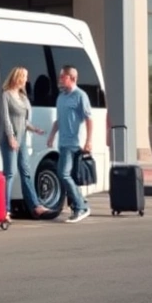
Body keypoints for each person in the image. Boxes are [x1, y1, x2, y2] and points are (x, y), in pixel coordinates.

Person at [0, 66, 49, 221]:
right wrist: (10, 137)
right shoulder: (6, 95)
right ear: (18, 78)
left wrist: (35, 129)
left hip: (21, 139)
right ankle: (5, 210)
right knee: (10, 173)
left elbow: (25, 121)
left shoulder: (23, 98)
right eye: (25, 77)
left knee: (26, 172)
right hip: (10, 139)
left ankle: (35, 205)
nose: (27, 80)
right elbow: (6, 119)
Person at [46, 64, 93, 223]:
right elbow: (59, 120)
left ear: (72, 78)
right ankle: (81, 203)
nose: (59, 80)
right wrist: (52, 136)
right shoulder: (61, 97)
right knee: (68, 175)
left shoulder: (80, 95)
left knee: (63, 174)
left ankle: (81, 207)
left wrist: (89, 141)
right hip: (63, 142)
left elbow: (89, 119)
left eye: (62, 77)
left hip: (74, 143)